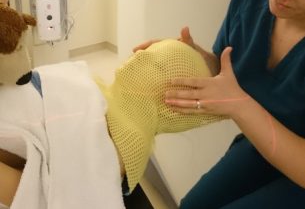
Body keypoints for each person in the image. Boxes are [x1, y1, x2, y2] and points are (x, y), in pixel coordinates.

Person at [134, 0, 305, 208]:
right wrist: (192, 56)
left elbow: (235, 99)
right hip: (261, 147)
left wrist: (239, 105)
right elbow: (225, 72)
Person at [0, 33, 225, 207]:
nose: (141, 55)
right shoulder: (88, 86)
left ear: (174, 108)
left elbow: (38, 196)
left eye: (158, 65)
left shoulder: (120, 144)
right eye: (152, 52)